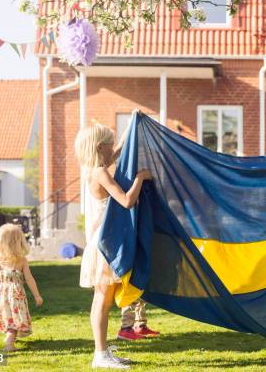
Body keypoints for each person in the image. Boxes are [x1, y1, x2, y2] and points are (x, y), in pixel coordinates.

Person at [75, 116, 151, 369]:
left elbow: (116, 151)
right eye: (109, 144)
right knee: (102, 301)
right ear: (99, 148)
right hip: (103, 246)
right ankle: (100, 354)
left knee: (104, 301)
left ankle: (103, 352)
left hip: (102, 243)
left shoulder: (93, 170)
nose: (113, 148)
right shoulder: (100, 174)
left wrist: (133, 123)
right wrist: (140, 178)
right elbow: (127, 201)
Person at [0, 224, 43, 351]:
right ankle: (9, 343)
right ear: (19, 242)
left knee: (7, 316)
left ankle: (9, 335)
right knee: (15, 317)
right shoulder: (21, 260)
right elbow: (30, 279)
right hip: (16, 295)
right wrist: (37, 295)